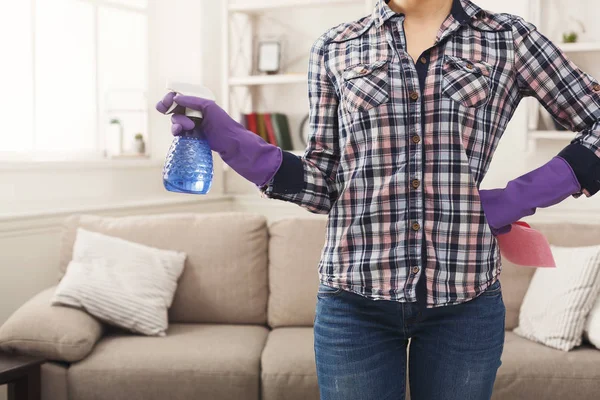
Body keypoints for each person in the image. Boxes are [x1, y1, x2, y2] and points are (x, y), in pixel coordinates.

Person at [157, 0, 600, 398]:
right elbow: (323, 182)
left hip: (465, 299)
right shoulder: (336, 46)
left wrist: (516, 197)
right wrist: (229, 138)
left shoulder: (509, 39)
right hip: (353, 300)